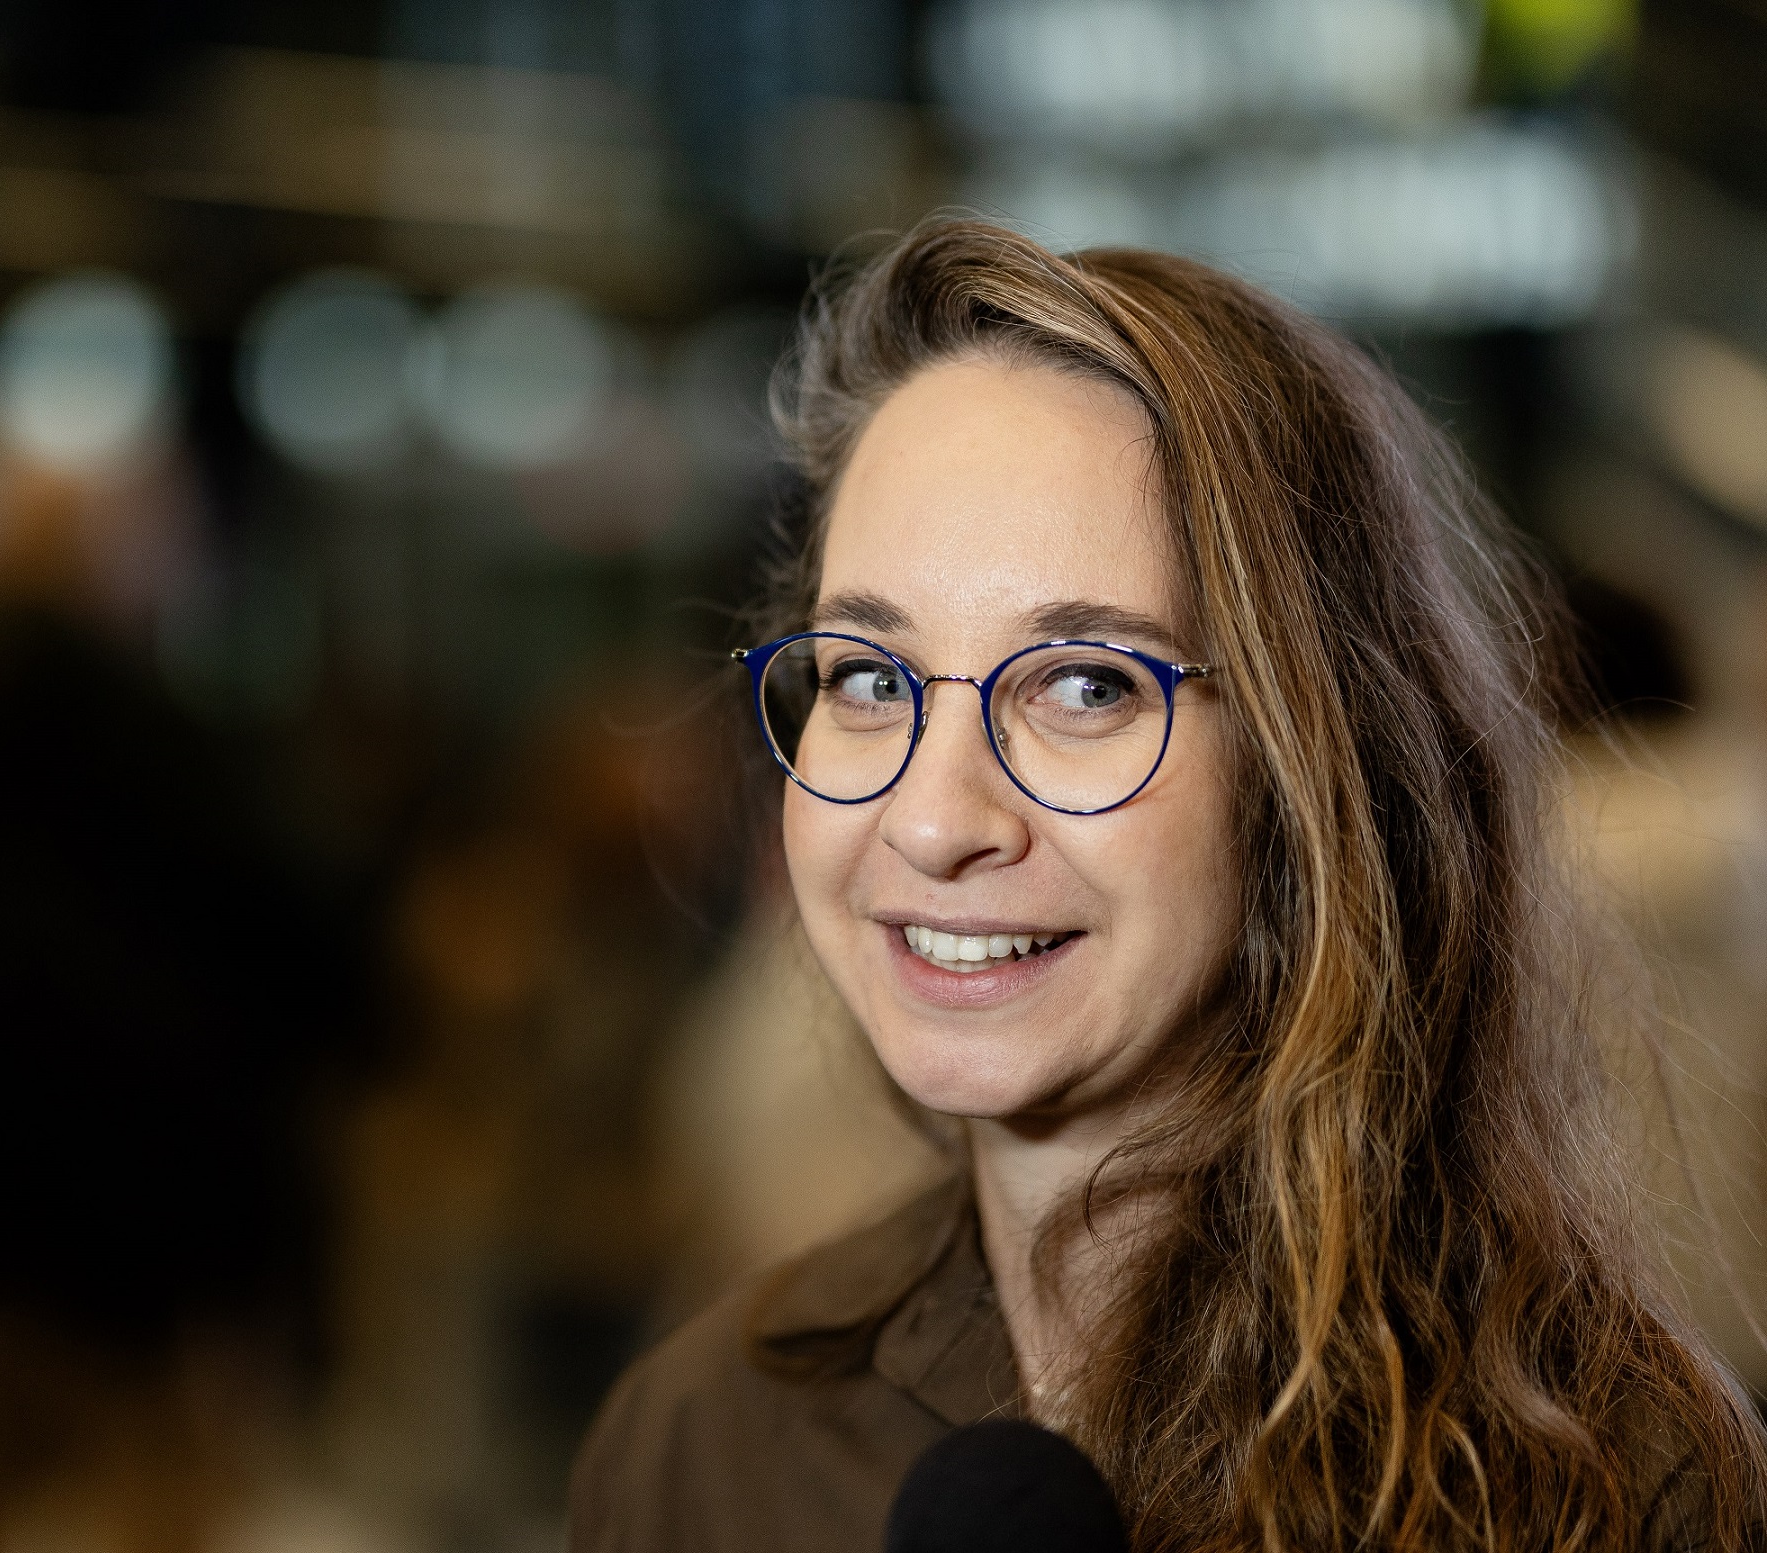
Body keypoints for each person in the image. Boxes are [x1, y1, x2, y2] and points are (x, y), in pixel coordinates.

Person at [568, 219, 1767, 1552]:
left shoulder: (1610, 1487)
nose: (934, 820)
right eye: (866, 676)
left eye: (1086, 686)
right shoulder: (702, 1449)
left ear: (1313, 767)